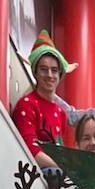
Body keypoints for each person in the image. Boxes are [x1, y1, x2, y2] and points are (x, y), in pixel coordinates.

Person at [11, 30, 87, 171]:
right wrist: (63, 166)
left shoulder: (61, 112)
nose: (50, 75)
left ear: (60, 74)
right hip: (37, 174)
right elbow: (30, 150)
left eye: (54, 70)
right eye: (44, 69)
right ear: (35, 73)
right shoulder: (26, 105)